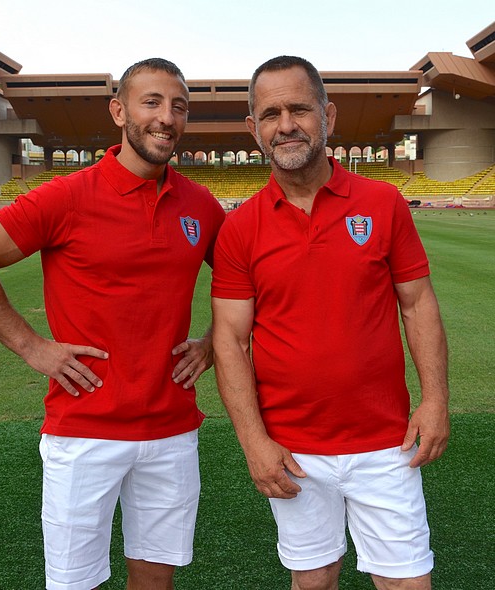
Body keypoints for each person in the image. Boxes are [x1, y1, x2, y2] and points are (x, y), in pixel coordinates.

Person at [0, 57, 225, 590]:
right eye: (152, 102)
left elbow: (247, 283)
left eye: (179, 107)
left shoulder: (200, 205)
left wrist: (211, 343)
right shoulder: (67, 196)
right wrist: (31, 346)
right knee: (74, 584)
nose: (167, 118)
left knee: (155, 580)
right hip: (84, 430)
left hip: (171, 429)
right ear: (119, 111)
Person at [211, 56, 449, 590]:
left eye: (300, 108)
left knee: (407, 582)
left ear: (328, 115)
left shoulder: (383, 203)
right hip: (292, 450)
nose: (286, 124)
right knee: (313, 579)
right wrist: (254, 442)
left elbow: (417, 304)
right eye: (270, 113)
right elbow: (230, 340)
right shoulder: (240, 227)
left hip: (387, 444)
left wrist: (434, 400)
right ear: (254, 129)